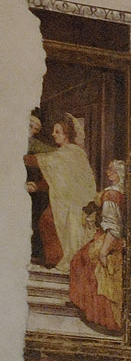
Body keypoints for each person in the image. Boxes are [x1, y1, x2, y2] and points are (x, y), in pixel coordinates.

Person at [68, 158, 124, 332]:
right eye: (108, 169)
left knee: (83, 262)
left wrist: (103, 251)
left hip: (110, 239)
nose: (108, 172)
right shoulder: (116, 192)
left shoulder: (112, 195)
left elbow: (113, 226)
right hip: (110, 237)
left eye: (111, 170)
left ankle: (99, 316)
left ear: (119, 174)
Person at [35, 114, 98, 268]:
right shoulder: (64, 152)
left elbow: (45, 162)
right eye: (53, 131)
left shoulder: (71, 152)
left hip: (75, 201)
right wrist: (37, 186)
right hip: (65, 199)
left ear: (67, 134)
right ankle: (54, 259)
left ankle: (57, 260)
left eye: (57, 132)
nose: (53, 134)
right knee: (46, 220)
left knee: (48, 220)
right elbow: (57, 178)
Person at [24, 110, 60, 267]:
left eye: (36, 129)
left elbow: (54, 154)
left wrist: (33, 184)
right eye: (30, 126)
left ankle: (34, 253)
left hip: (30, 189)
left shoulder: (34, 144)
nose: (33, 130)